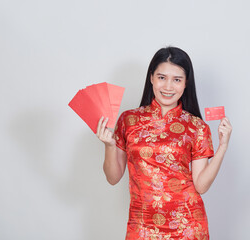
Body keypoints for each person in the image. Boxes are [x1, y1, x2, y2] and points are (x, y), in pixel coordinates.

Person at [96, 46, 232, 239]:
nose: (168, 87)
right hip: (142, 224)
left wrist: (223, 147)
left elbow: (201, 185)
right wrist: (109, 146)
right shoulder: (128, 120)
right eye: (162, 77)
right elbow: (113, 177)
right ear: (151, 78)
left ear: (186, 84)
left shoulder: (197, 127)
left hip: (187, 225)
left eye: (177, 80)